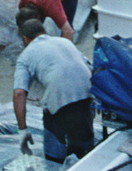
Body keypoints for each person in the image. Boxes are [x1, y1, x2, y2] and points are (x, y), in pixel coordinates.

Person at [12, 15, 94, 161]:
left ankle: (55, 161)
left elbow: (19, 93)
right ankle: (85, 157)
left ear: (25, 39)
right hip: (87, 92)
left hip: (59, 96)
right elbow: (89, 67)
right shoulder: (64, 41)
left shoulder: (25, 56)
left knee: (54, 150)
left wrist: (23, 130)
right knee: (84, 146)